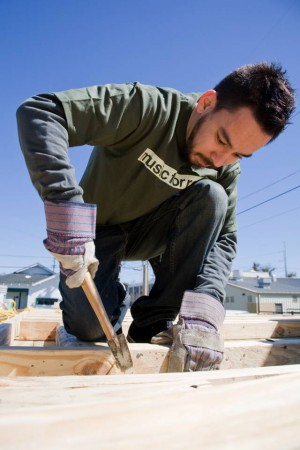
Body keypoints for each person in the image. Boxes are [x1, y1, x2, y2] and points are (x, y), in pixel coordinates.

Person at [17, 62, 295, 372]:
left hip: (157, 236)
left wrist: (206, 308)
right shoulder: (148, 108)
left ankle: (151, 323)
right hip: (97, 234)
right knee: (90, 329)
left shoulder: (225, 167)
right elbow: (41, 112)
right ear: (206, 103)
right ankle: (102, 313)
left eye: (238, 155)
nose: (220, 160)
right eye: (222, 140)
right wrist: (66, 210)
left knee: (213, 197)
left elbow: (225, 238)